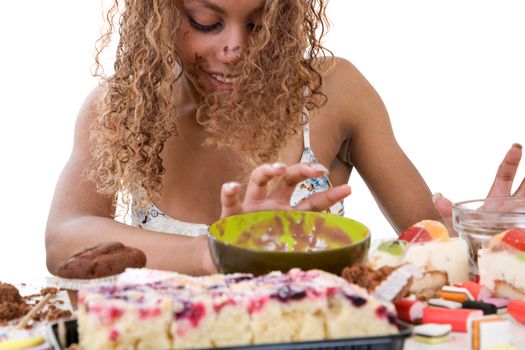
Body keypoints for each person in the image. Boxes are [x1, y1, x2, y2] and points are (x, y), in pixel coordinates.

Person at [45, 0, 524, 276]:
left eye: (258, 25)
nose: (234, 49)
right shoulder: (123, 106)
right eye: (207, 23)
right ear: (159, 13)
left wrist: (487, 242)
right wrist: (217, 251)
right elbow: (63, 238)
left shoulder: (333, 93)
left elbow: (431, 249)